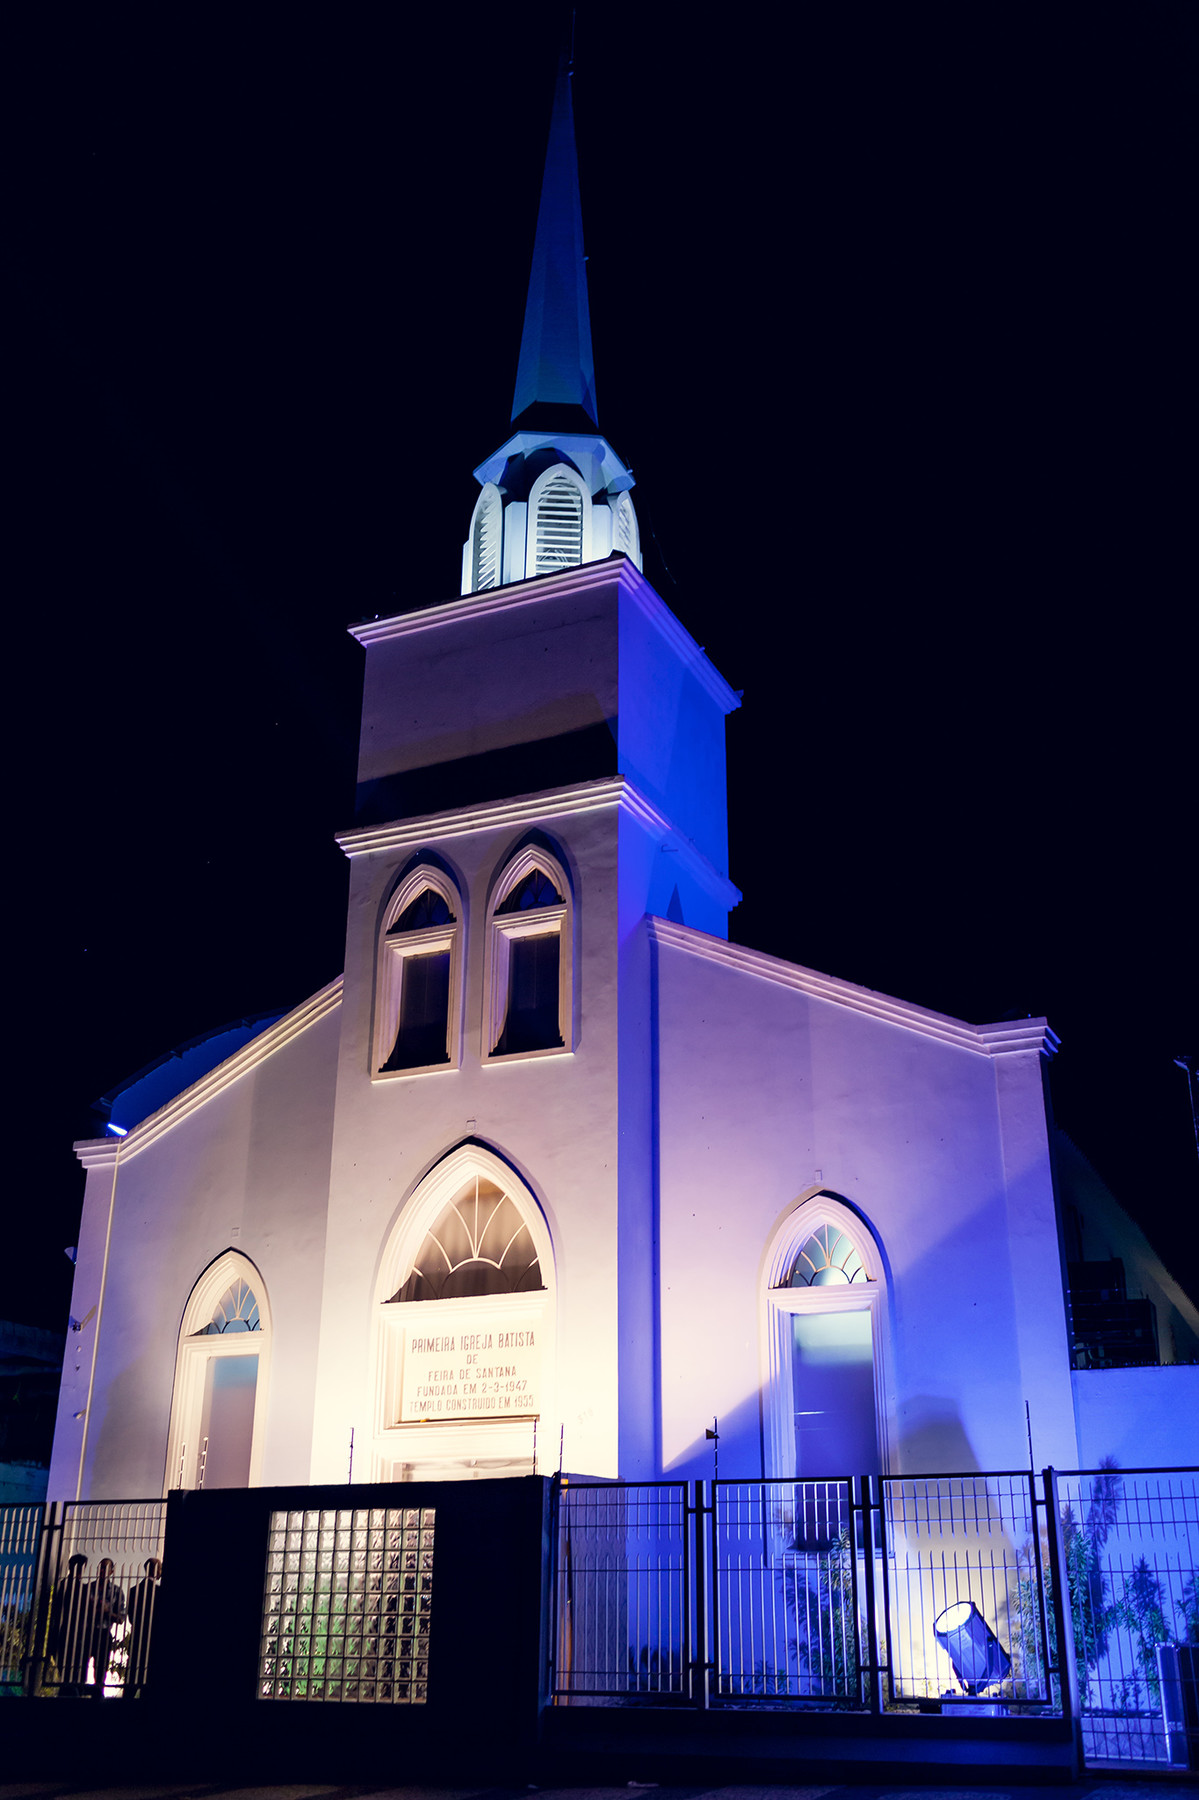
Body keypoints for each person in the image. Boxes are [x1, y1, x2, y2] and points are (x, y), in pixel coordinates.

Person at [48, 1554, 90, 1696]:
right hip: (74, 1632)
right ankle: (72, 1692)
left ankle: (68, 1690)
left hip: (66, 1631)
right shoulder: (79, 1588)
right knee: (74, 1669)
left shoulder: (64, 1585)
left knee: (66, 1668)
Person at [87, 1557, 127, 1697]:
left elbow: (121, 1618)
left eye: (106, 1568)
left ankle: (97, 1694)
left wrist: (106, 1612)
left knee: (101, 1668)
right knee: (80, 1666)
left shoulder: (117, 1592)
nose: (102, 1571)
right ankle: (78, 1691)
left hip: (104, 1633)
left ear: (112, 1571)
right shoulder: (88, 1588)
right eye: (101, 1568)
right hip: (87, 1631)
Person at [124, 1557, 162, 1696]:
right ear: (157, 1571)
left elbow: (131, 1618)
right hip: (152, 1641)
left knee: (132, 1680)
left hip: (137, 1639)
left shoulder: (134, 1590)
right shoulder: (159, 1591)